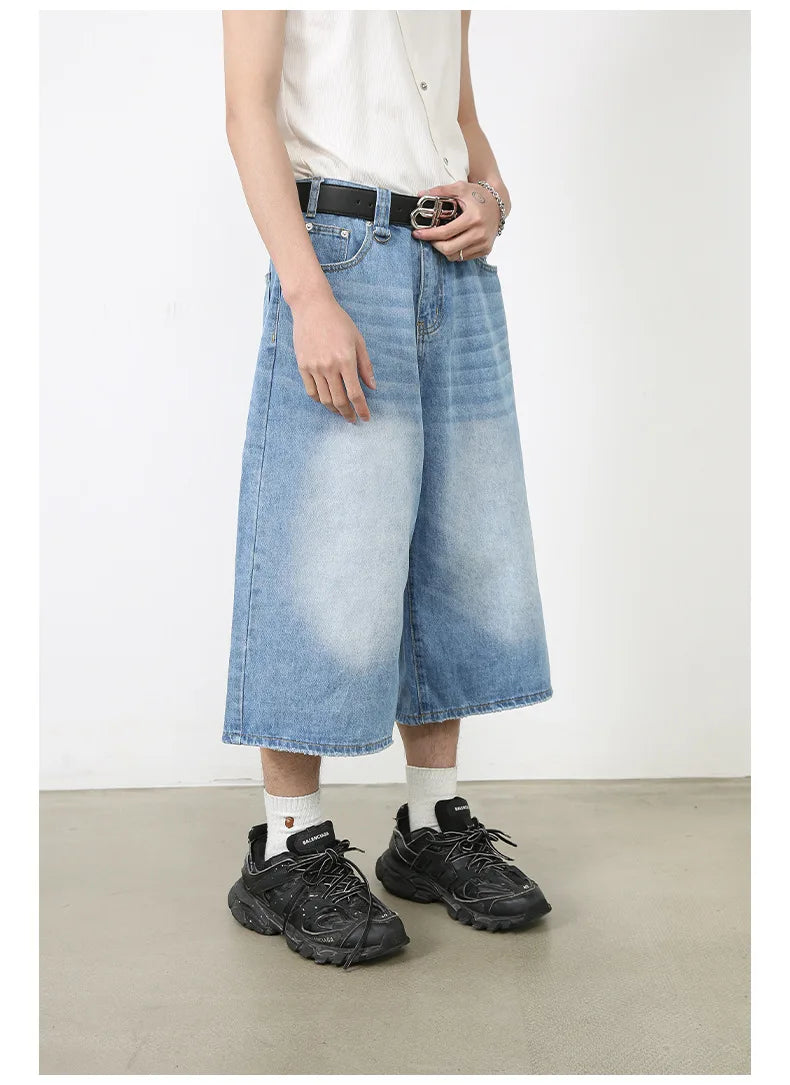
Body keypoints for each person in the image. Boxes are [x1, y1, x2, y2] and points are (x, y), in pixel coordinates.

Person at [221, 10, 552, 968]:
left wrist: (493, 199)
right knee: (326, 550)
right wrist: (307, 293)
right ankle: (288, 843)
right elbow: (248, 112)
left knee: (456, 543)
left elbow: (460, 118)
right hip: (339, 251)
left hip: (452, 263)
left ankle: (430, 822)